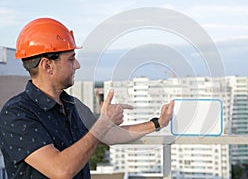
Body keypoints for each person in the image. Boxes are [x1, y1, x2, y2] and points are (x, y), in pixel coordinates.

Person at [0, 18, 174, 179]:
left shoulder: (71, 105)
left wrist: (157, 123)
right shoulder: (16, 114)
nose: (77, 65)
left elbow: (107, 134)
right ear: (48, 65)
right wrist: (102, 125)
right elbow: (60, 170)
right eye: (71, 59)